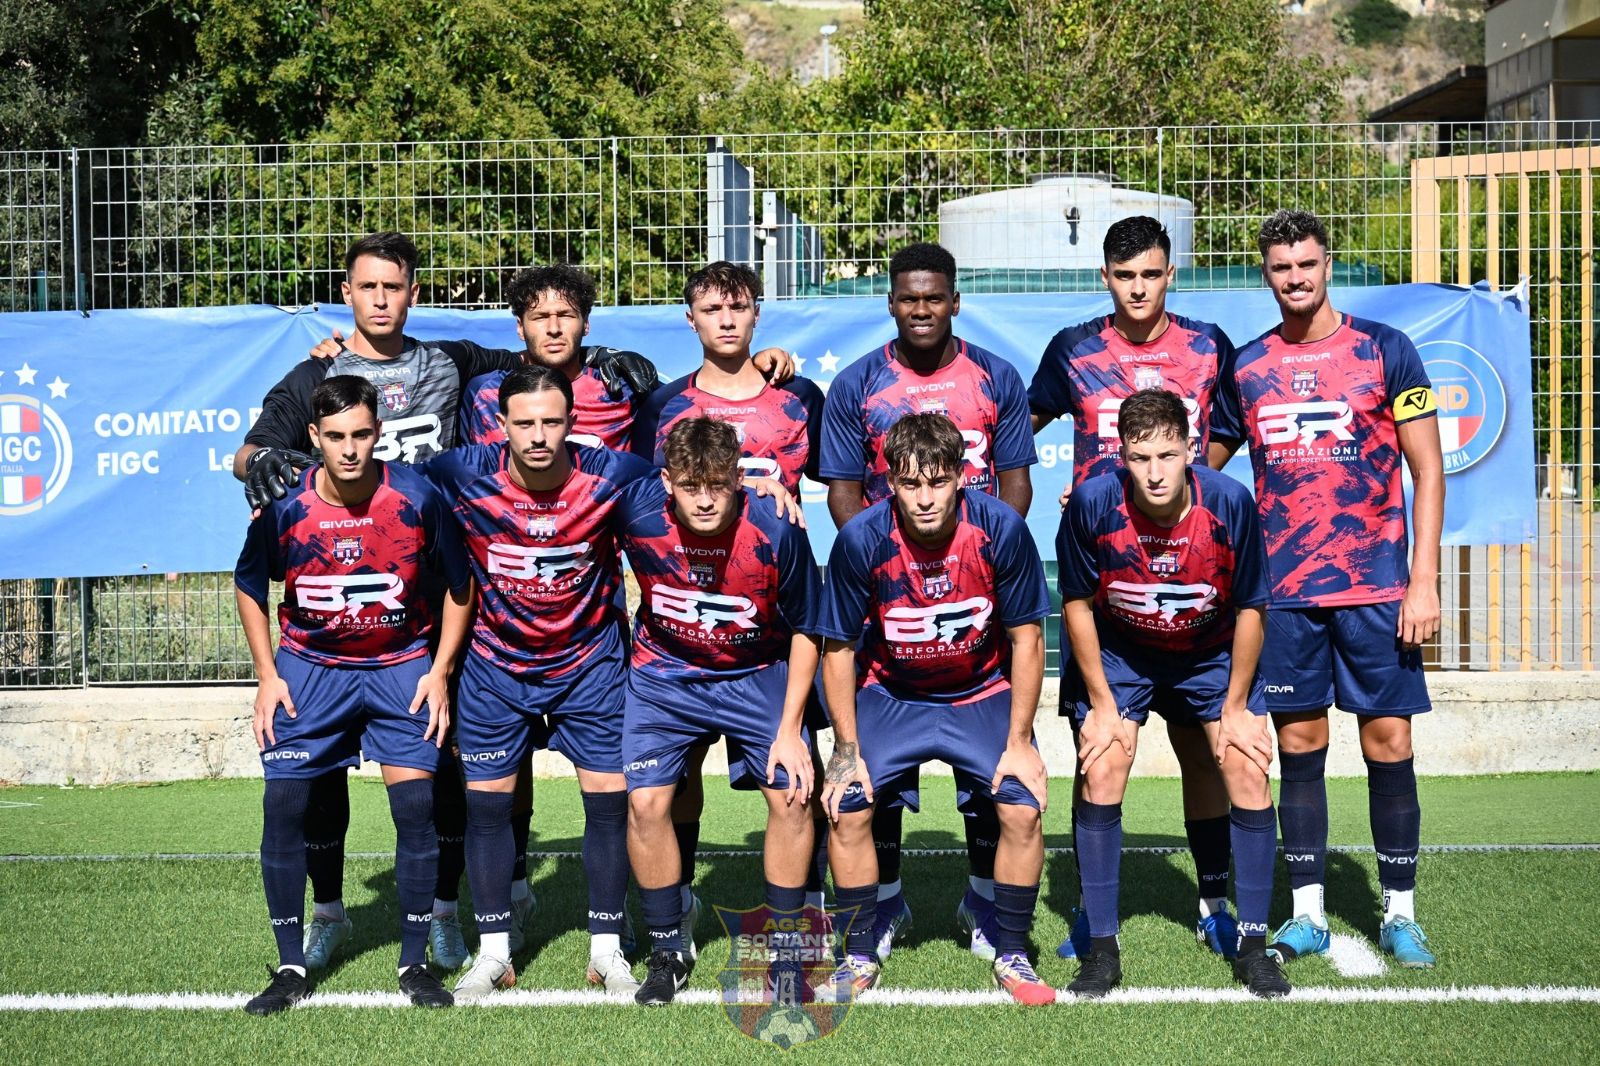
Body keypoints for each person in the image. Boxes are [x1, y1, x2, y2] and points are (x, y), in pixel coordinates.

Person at [1210, 209, 1444, 968]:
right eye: (1281, 267)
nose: (1295, 278)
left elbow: (1428, 469)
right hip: (1284, 595)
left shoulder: (1386, 349)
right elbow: (1204, 473)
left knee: (1390, 740)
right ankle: (1307, 913)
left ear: (1327, 264)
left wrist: (1423, 580)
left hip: (1377, 590)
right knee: (1299, 745)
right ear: (1265, 273)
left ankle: (1400, 913)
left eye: (1306, 264)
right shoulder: (1246, 366)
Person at [1026, 215, 1243, 961]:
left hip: (1190, 573)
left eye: (1151, 274)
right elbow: (1017, 425)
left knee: (1204, 752)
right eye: (1125, 277)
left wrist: (1191, 482)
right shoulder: (1074, 349)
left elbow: (1234, 424)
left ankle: (1214, 901)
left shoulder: (1209, 345)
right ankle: (1093, 911)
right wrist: (1089, 490)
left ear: (1171, 274)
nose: (1139, 288)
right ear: (1106, 279)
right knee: (1100, 747)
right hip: (1108, 582)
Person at [818, 241, 1037, 962]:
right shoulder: (858, 383)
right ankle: (880, 908)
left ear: (954, 301)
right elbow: (844, 493)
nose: (921, 309)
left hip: (974, 596)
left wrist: (976, 557)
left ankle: (987, 905)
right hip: (891, 606)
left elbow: (1015, 483)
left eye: (933, 297)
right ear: (890, 303)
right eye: (909, 298)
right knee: (866, 785)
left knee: (994, 785)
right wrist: (892, 566)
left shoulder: (996, 376)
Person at [233, 374, 473, 1014]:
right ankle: (290, 965)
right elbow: (250, 586)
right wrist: (267, 675)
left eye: (361, 435)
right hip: (310, 669)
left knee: (416, 807)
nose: (349, 449)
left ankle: (414, 963)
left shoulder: (417, 496)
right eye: (335, 436)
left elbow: (460, 586)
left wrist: (439, 671)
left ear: (378, 433)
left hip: (400, 667)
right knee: (283, 804)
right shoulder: (286, 503)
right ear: (314, 436)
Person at [418, 364, 654, 999]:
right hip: (496, 668)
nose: (539, 435)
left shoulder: (615, 475)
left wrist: (758, 489)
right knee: (487, 809)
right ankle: (494, 953)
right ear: (501, 424)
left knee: (609, 805)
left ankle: (607, 949)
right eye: (524, 423)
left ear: (573, 421)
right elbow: (381, 486)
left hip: (591, 667)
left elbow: (692, 492)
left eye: (552, 421)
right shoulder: (460, 472)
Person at [1057, 387, 1288, 1000]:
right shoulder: (1093, 502)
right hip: (1122, 651)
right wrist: (1103, 706)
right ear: (1122, 457)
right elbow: (1076, 603)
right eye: (1140, 458)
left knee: (1245, 764)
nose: (1155, 473)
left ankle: (1252, 946)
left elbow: (1252, 607)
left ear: (1190, 449)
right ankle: (1101, 948)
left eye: (1166, 455)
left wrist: (1235, 709)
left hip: (1208, 651)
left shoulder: (1230, 502)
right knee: (1103, 763)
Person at [818, 413, 1055, 1006]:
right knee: (847, 803)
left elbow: (1027, 638)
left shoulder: (1000, 528)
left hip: (980, 691)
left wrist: (1020, 742)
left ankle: (1013, 950)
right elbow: (838, 648)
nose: (924, 499)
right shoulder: (862, 538)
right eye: (909, 483)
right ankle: (858, 951)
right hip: (891, 694)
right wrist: (845, 751)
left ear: (962, 477)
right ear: (889, 482)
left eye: (938, 482)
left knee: (1022, 805)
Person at [630, 261, 829, 956]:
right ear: (690, 319)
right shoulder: (662, 407)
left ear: (756, 314)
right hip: (681, 636)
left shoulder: (798, 396)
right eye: (711, 309)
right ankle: (674, 911)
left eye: (738, 307)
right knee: (672, 782)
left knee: (797, 781)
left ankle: (800, 918)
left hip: (770, 618)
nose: (725, 319)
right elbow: (640, 496)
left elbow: (843, 484)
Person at [615, 418, 825, 1006]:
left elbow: (808, 629)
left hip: (757, 673)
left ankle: (787, 950)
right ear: (666, 483)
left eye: (717, 485)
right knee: (645, 803)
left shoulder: (776, 526)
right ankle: (668, 947)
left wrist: (791, 729)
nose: (705, 500)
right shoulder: (635, 510)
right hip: (665, 675)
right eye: (690, 486)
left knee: (792, 793)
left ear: (738, 478)